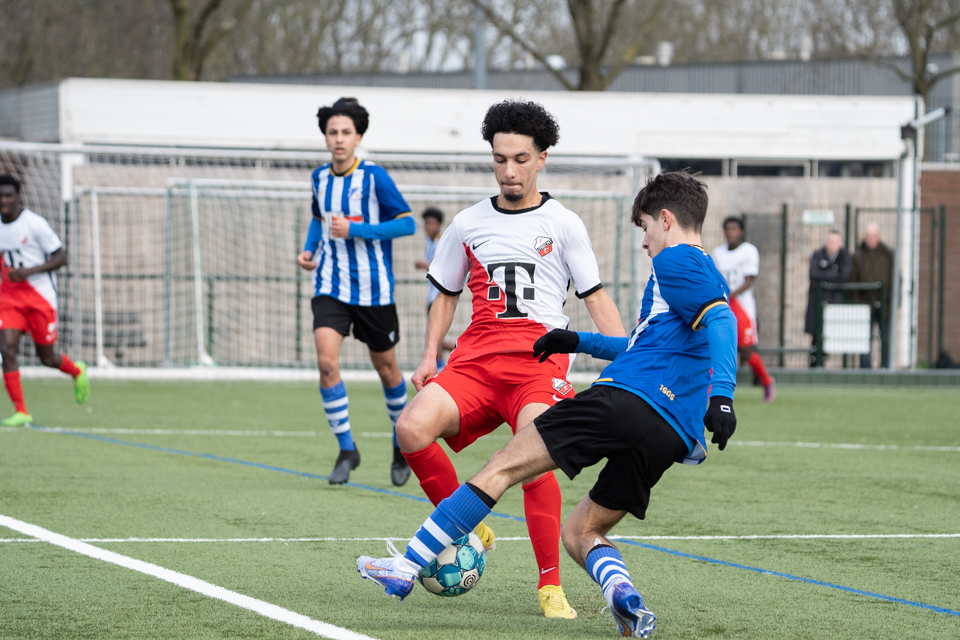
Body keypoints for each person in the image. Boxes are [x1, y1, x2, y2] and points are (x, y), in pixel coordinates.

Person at [356, 171, 738, 639]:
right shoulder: (700, 273)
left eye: (644, 229)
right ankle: (624, 598)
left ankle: (407, 566)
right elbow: (640, 344)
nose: (645, 242)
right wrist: (576, 339)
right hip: (670, 432)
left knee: (501, 467)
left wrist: (723, 394)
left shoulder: (677, 260)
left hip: (626, 399)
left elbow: (723, 320)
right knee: (581, 531)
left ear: (665, 219)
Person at [393, 100, 627, 619]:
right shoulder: (467, 223)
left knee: (534, 452)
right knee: (409, 429)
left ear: (542, 158)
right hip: (475, 363)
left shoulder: (564, 224)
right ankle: (470, 524)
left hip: (538, 367)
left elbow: (595, 297)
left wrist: (628, 357)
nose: (509, 170)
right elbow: (446, 295)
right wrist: (429, 354)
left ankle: (550, 587)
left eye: (520, 159)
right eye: (499, 159)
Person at [296, 98, 415, 487]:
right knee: (326, 363)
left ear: (358, 137)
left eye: (346, 132)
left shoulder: (375, 177)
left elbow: (407, 224)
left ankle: (401, 444)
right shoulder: (319, 178)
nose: (339, 139)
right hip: (330, 286)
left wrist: (357, 230)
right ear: (326, 138)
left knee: (387, 370)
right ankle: (347, 448)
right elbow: (319, 218)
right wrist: (310, 249)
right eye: (333, 132)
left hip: (374, 290)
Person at [0, 174, 89, 426]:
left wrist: (28, 271)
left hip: (41, 299)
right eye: (0, 196)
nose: (3, 200)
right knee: (6, 348)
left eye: (8, 195)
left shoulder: (34, 224)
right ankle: (21, 411)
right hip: (9, 298)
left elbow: (61, 257)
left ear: (18, 197)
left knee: (47, 357)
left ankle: (76, 371)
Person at [711, 216, 775, 401]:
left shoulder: (749, 251)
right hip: (723, 306)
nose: (730, 232)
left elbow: (749, 280)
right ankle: (709, 391)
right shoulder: (718, 253)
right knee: (713, 346)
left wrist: (729, 293)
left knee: (746, 352)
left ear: (741, 232)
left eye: (734, 229)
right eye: (727, 229)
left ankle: (767, 381)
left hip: (742, 308)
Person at [414, 207, 456, 370]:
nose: (429, 226)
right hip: (431, 296)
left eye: (432, 223)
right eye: (427, 223)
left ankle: (438, 373)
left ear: (439, 224)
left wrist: (425, 264)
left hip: (440, 297)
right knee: (435, 339)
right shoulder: (428, 241)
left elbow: (446, 265)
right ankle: (462, 350)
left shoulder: (442, 241)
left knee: (434, 338)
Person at [804, 229, 851, 365]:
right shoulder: (818, 255)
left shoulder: (845, 257)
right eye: (829, 241)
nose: (831, 244)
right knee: (816, 338)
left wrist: (825, 275)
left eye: (834, 242)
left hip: (835, 304)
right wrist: (833, 272)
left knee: (834, 336)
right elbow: (814, 274)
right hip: (817, 304)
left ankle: (842, 366)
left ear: (840, 244)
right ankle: (814, 366)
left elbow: (844, 277)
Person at [850, 223, 892, 369]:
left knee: (886, 340)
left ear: (878, 237)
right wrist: (857, 304)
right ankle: (865, 370)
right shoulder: (857, 256)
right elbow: (853, 281)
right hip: (864, 305)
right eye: (868, 236)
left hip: (884, 306)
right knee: (864, 340)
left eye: (874, 236)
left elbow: (894, 280)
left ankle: (885, 368)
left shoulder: (888, 255)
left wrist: (890, 302)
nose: (871, 239)